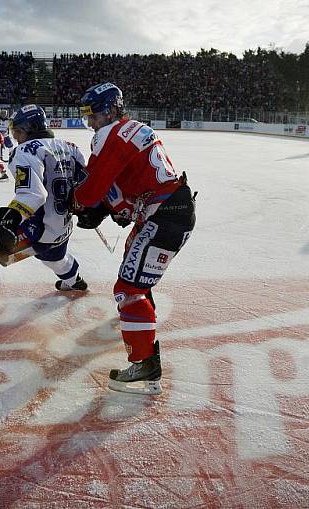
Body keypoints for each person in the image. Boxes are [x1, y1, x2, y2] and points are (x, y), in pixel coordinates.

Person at [73, 82, 196, 396]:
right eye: (85, 114)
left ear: (112, 108)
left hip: (164, 215)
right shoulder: (132, 129)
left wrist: (79, 204)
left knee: (128, 290)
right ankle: (143, 338)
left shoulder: (111, 136)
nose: (89, 121)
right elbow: (125, 196)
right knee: (137, 283)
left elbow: (90, 191)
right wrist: (110, 207)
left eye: (93, 113)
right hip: (168, 209)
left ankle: (145, 365)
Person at [0, 104, 89, 330]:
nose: (15, 136)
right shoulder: (70, 147)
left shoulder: (26, 150)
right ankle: (74, 281)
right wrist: (89, 210)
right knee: (53, 259)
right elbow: (85, 185)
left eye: (18, 131)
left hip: (39, 228)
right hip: (63, 226)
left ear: (30, 128)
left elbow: (33, 194)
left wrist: (12, 215)